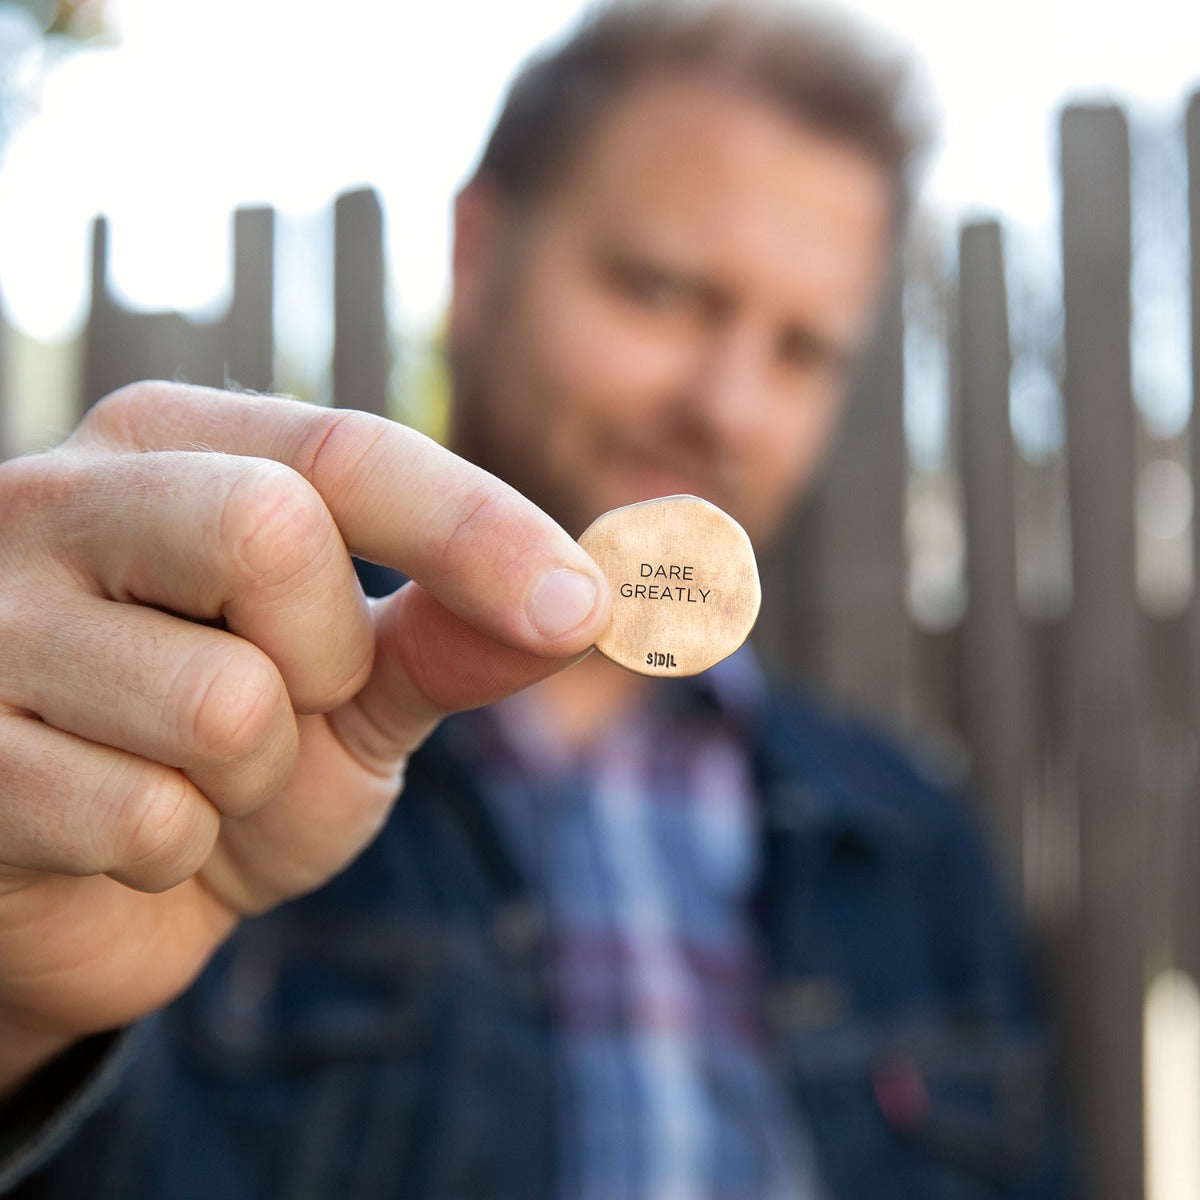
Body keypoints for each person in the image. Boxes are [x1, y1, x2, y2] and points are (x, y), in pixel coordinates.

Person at [0, 2, 1076, 1197]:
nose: (730, 403)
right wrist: (16, 1021)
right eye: (665, 290)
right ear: (477, 254)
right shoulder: (183, 736)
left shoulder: (913, 845)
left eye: (802, 350)